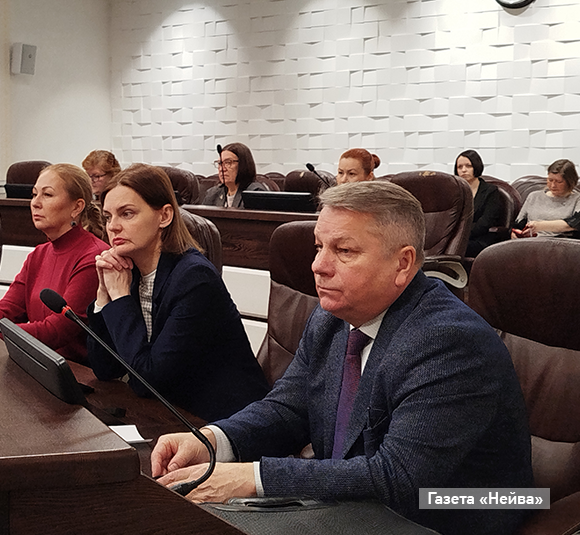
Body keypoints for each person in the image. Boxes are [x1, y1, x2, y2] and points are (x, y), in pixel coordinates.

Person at [153, 181, 533, 535]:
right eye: (319, 246)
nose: (318, 265)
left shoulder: (448, 341)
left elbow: (398, 478)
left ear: (402, 263)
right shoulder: (332, 317)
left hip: (445, 514)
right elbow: (289, 408)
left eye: (344, 251)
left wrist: (252, 478)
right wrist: (214, 441)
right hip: (357, 504)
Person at [88, 163, 269, 421]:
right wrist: (103, 296)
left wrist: (120, 299)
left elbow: (148, 380)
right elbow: (104, 368)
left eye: (127, 214)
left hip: (222, 421)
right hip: (169, 413)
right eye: (108, 217)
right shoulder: (129, 271)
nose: (113, 226)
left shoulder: (194, 279)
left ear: (164, 216)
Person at [0, 163, 108, 363]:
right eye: (34, 194)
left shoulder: (94, 257)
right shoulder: (39, 254)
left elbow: (57, 330)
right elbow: (7, 310)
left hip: (76, 372)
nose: (35, 203)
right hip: (41, 363)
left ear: (76, 207)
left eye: (47, 195)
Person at [454, 149, 506, 256]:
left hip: (481, 238)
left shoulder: (490, 191)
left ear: (476, 166)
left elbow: (486, 222)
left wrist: (461, 235)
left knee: (457, 247)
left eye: (468, 166)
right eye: (460, 167)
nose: (464, 170)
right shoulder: (455, 192)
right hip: (458, 238)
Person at [512, 159, 580, 239]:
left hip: (560, 242)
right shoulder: (534, 196)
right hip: (530, 241)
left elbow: (574, 224)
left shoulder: (577, 199)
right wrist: (515, 233)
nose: (553, 185)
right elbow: (518, 223)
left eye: (559, 182)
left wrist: (539, 226)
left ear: (570, 182)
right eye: (550, 180)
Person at [202, 143, 267, 208]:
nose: (222, 169)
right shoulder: (212, 194)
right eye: (220, 163)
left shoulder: (255, 193)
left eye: (228, 162)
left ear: (243, 165)